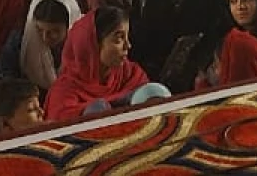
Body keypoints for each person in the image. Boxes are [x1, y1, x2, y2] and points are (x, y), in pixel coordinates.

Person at [42, 7, 170, 124]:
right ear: (92, 45)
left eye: (127, 37)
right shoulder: (63, 93)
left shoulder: (131, 73)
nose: (128, 46)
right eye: (119, 39)